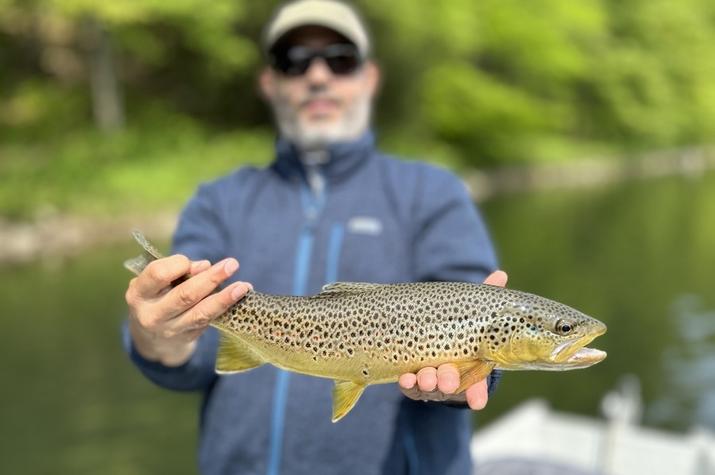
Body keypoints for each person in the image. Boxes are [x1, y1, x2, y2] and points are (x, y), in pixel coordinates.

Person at [123, 1, 506, 474]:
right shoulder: (219, 200)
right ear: (269, 82)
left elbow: (479, 336)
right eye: (295, 60)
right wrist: (156, 335)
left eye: (341, 59)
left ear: (370, 78)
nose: (318, 76)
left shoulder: (434, 193)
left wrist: (468, 379)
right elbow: (192, 360)